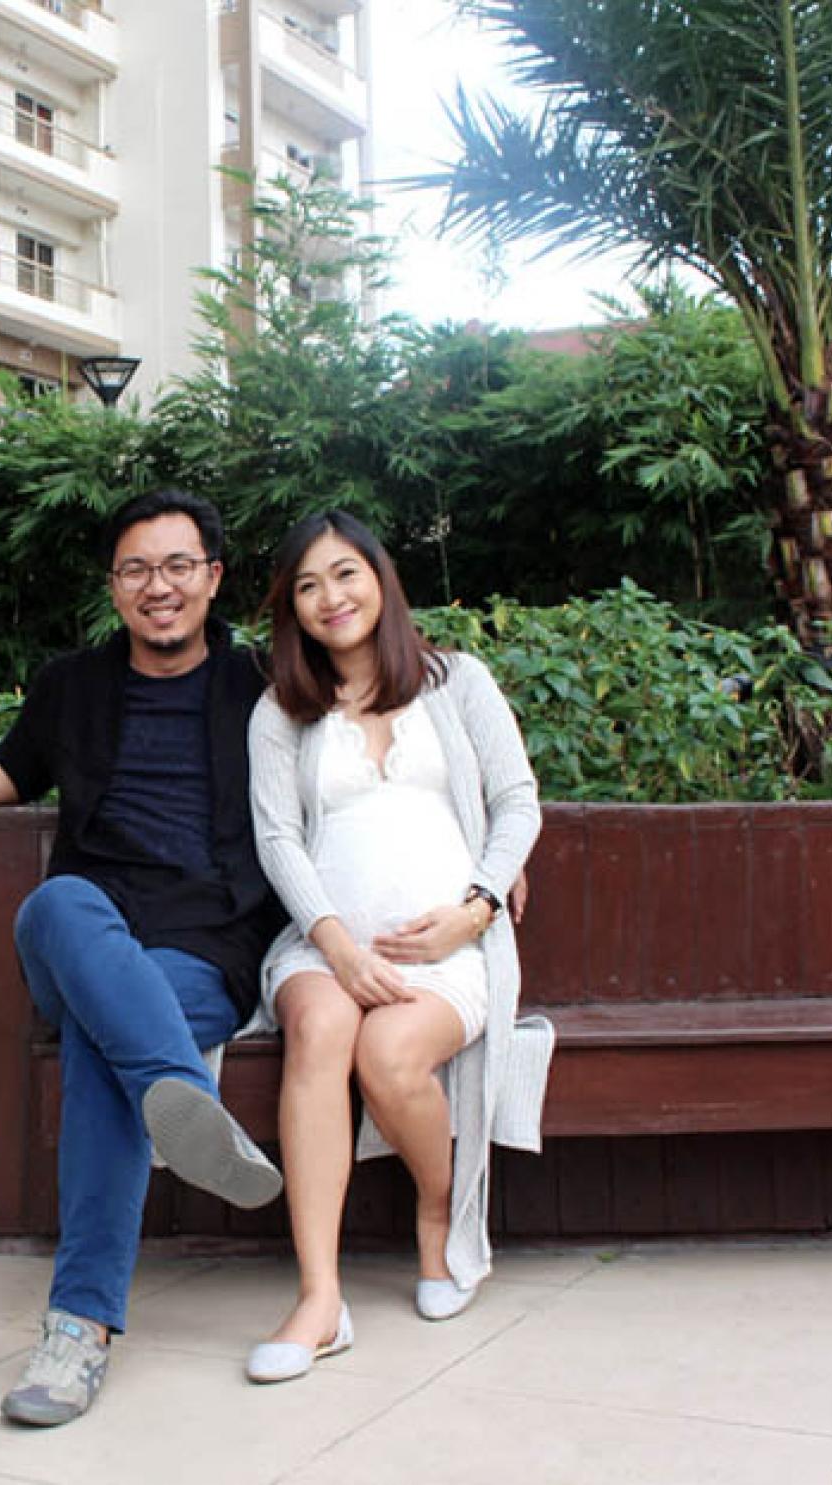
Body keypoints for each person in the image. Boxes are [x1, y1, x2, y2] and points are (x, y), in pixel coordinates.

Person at [0, 489, 288, 1427]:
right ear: (114, 587)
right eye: (137, 569)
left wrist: (486, 845)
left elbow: (375, 725)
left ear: (213, 577)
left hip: (204, 946)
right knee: (59, 900)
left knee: (103, 1050)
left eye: (178, 565)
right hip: (83, 930)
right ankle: (183, 1096)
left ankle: (79, 1328)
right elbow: (10, 766)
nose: (159, 586)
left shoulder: (262, 686)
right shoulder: (72, 684)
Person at [243, 509, 546, 1384]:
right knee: (321, 1028)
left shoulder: (459, 682)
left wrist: (475, 909)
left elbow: (517, 801)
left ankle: (438, 1209)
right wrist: (337, 945)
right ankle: (320, 1298)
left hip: (447, 949)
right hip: (321, 945)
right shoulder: (281, 710)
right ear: (292, 609)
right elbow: (278, 839)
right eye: (307, 586)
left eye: (345, 573)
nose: (330, 597)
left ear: (379, 578)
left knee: (388, 1055)